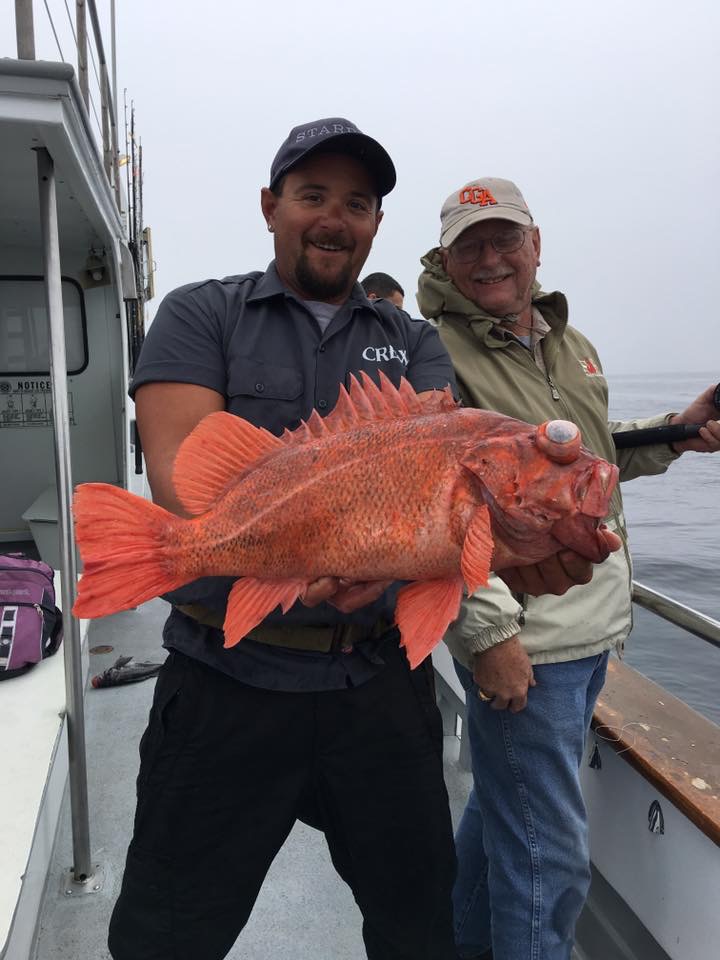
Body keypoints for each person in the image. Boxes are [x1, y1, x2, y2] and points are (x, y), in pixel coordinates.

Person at [108, 125, 618, 960]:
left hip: (377, 687)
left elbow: (440, 539)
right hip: (226, 681)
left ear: (376, 223)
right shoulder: (202, 312)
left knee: (419, 929)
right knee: (168, 934)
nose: (334, 218)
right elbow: (182, 485)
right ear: (271, 206)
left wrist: (517, 554)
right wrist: (291, 546)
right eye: (312, 196)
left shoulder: (413, 342)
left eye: (356, 203)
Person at [416, 176, 720, 960]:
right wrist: (491, 636)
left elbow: (589, 461)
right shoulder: (434, 355)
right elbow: (443, 512)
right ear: (445, 261)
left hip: (594, 635)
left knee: (502, 823)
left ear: (536, 244)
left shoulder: (570, 343)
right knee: (546, 863)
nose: (490, 258)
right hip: (530, 643)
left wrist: (679, 431)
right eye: (470, 247)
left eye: (505, 239)